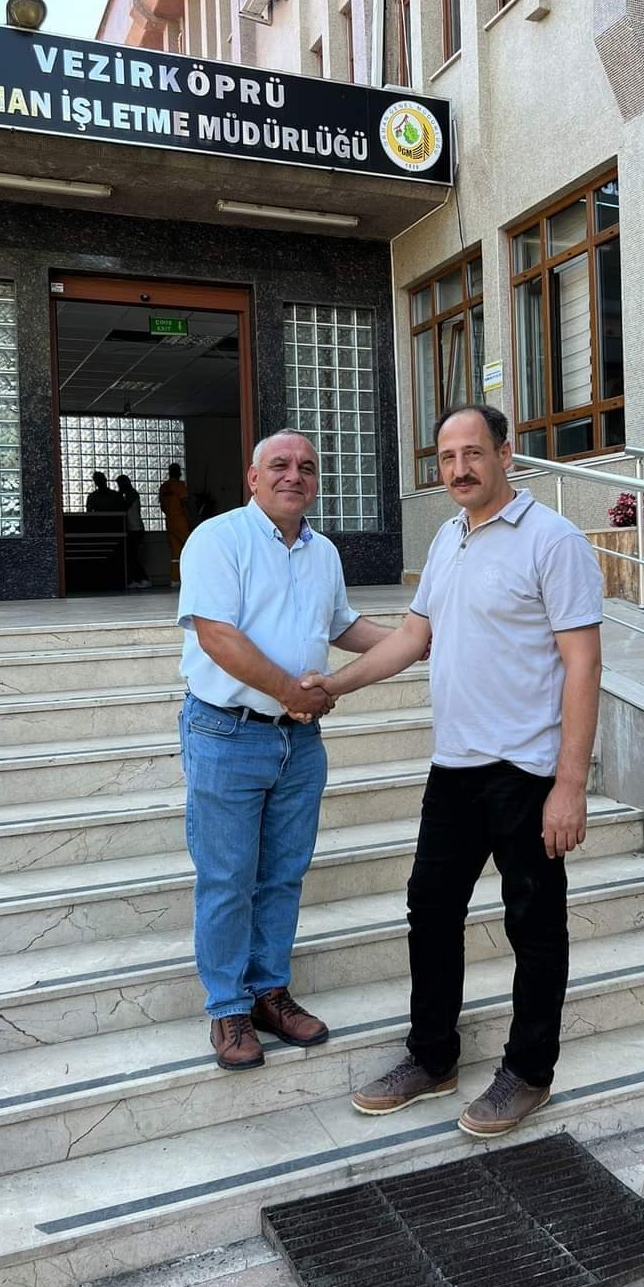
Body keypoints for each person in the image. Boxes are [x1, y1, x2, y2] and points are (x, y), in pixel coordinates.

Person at [306, 404, 603, 1137]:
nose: (460, 469)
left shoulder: (553, 540)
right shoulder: (446, 538)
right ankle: (432, 1056)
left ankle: (528, 1072)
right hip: (455, 766)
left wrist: (570, 785)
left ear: (506, 454)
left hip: (527, 769)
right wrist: (333, 687)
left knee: (535, 924)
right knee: (431, 910)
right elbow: (413, 637)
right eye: (446, 457)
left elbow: (583, 664)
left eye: (473, 452)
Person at [177, 429, 392, 1071]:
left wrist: (421, 636)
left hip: (298, 742)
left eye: (306, 466)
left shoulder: (323, 552)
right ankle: (228, 1008)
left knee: (283, 874)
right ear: (253, 477)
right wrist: (289, 692)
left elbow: (344, 626)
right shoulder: (218, 539)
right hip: (228, 733)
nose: (293, 474)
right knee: (227, 878)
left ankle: (269, 991)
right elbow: (217, 636)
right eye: (279, 464)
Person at [115, 474, 151, 589]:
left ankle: (143, 578)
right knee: (131, 556)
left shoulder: (132, 494)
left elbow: (124, 507)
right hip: (133, 528)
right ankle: (135, 579)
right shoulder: (129, 494)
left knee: (133, 556)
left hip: (135, 529)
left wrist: (117, 495)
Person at [159, 463, 191, 587]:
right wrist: (193, 519)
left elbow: (162, 506)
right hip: (181, 521)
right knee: (191, 546)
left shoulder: (164, 487)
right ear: (178, 472)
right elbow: (186, 503)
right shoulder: (179, 485)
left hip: (169, 522)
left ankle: (175, 580)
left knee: (175, 553)